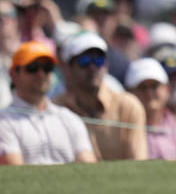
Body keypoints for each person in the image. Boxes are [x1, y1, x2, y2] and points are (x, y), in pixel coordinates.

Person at [54, 31, 148, 160]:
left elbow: (138, 163)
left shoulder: (128, 106)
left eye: (99, 60)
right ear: (69, 68)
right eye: (84, 61)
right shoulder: (56, 109)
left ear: (106, 65)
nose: (93, 67)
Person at [0, 41, 95, 165]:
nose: (41, 74)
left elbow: (88, 165)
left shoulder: (69, 118)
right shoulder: (3, 121)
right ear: (13, 74)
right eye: (32, 67)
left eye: (47, 68)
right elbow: (15, 171)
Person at [125, 57, 176, 160]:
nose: (149, 93)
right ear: (130, 92)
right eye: (142, 87)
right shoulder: (122, 130)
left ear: (167, 89)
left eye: (154, 86)